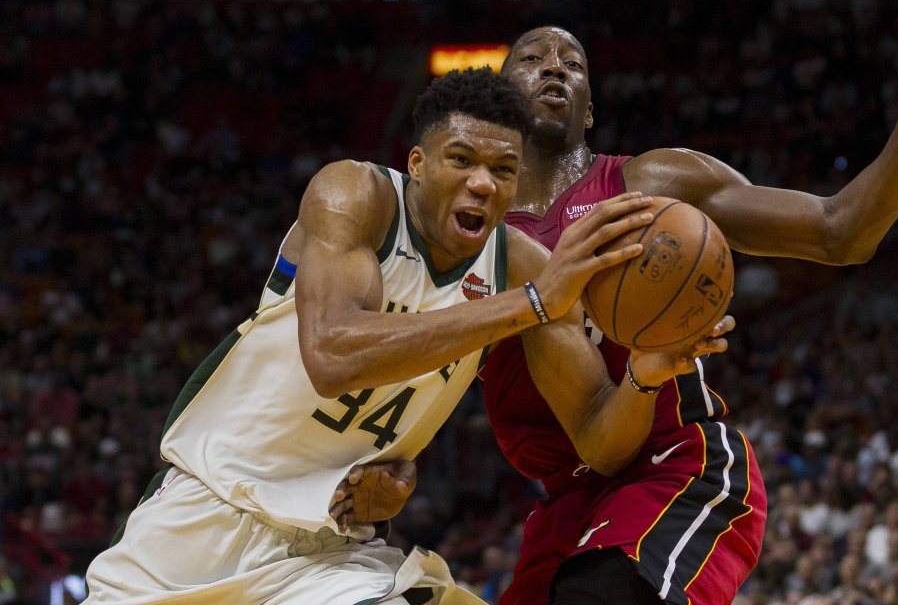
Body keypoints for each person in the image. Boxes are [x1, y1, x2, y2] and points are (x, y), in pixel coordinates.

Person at [82, 69, 720, 604]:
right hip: (205, 515)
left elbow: (599, 440)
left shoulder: (520, 267)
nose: (482, 182)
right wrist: (529, 305)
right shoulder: (356, 195)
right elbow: (332, 353)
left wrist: (644, 371)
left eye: (503, 169)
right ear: (417, 162)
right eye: (461, 159)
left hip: (330, 550)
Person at [480, 0, 898, 605]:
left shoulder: (652, 183)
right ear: (499, 99)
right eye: (533, 59)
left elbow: (841, 231)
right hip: (567, 503)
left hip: (675, 464)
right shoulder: (469, 237)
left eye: (573, 63)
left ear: (589, 109)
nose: (555, 67)